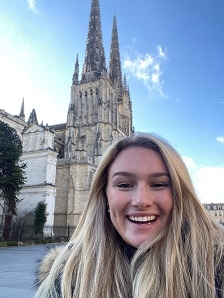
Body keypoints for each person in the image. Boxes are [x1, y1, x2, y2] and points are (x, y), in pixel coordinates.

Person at [35, 132, 224, 298]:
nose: (141, 201)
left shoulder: (216, 266)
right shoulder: (68, 276)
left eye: (159, 184)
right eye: (124, 184)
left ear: (180, 194)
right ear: (104, 196)